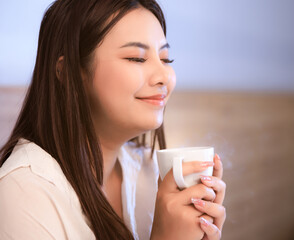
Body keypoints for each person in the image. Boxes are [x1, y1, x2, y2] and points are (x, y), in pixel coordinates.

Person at [0, 0, 226, 239]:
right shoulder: (23, 192)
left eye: (166, 59)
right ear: (67, 73)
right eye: (136, 58)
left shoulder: (147, 171)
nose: (164, 77)